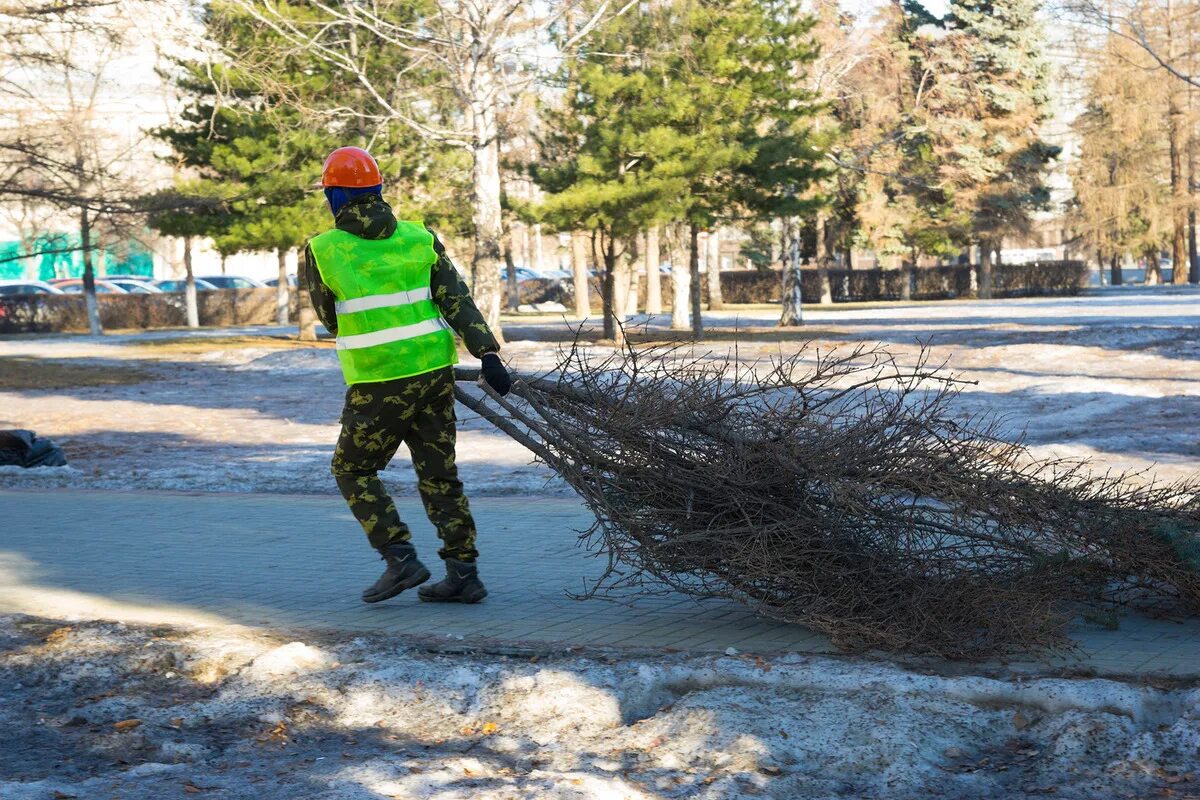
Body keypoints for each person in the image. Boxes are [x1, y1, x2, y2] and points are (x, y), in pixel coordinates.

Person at [302, 146, 511, 605]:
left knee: (352, 469)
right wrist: (487, 354)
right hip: (433, 372)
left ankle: (400, 559)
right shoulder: (420, 238)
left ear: (333, 196)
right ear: (379, 190)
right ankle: (464, 574)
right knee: (440, 474)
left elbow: (331, 319)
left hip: (379, 380)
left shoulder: (323, 250)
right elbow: (456, 298)